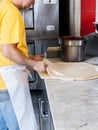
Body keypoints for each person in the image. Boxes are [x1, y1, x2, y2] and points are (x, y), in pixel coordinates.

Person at [0, 0, 47, 130]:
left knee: (3, 125)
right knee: (19, 125)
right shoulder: (11, 13)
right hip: (8, 81)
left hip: (1, 80)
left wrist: (30, 57)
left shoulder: (2, 6)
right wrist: (34, 64)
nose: (33, 2)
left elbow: (3, 47)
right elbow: (8, 51)